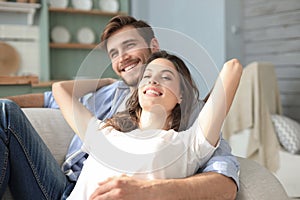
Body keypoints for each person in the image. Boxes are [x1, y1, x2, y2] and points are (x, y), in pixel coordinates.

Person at [2, 15, 240, 199]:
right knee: (5, 111)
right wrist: (102, 82)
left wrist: (147, 191)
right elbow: (56, 93)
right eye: (114, 53)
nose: (121, 58)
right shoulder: (107, 122)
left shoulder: (191, 129)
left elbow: (224, 184)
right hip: (62, 187)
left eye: (129, 46)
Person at [53, 50, 242, 199]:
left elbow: (232, 67)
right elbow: (59, 89)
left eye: (166, 77)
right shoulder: (105, 132)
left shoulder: (190, 144)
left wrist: (201, 107)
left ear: (180, 96)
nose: (153, 80)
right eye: (147, 76)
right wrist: (108, 82)